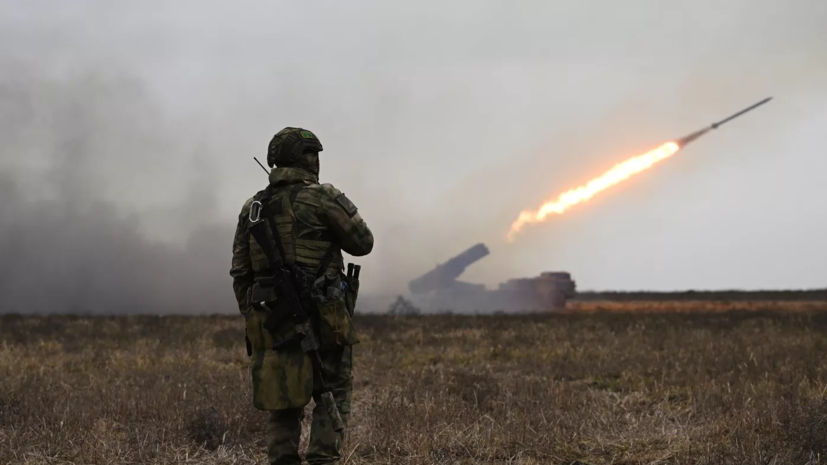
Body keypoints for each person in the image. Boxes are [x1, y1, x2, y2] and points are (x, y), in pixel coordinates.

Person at [229, 127, 374, 465]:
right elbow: (363, 243)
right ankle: (323, 458)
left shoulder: (253, 208)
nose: (317, 161)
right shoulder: (323, 197)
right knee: (333, 390)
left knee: (284, 395)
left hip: (272, 319)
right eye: (314, 155)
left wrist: (255, 320)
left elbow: (241, 273)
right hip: (325, 317)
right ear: (306, 159)